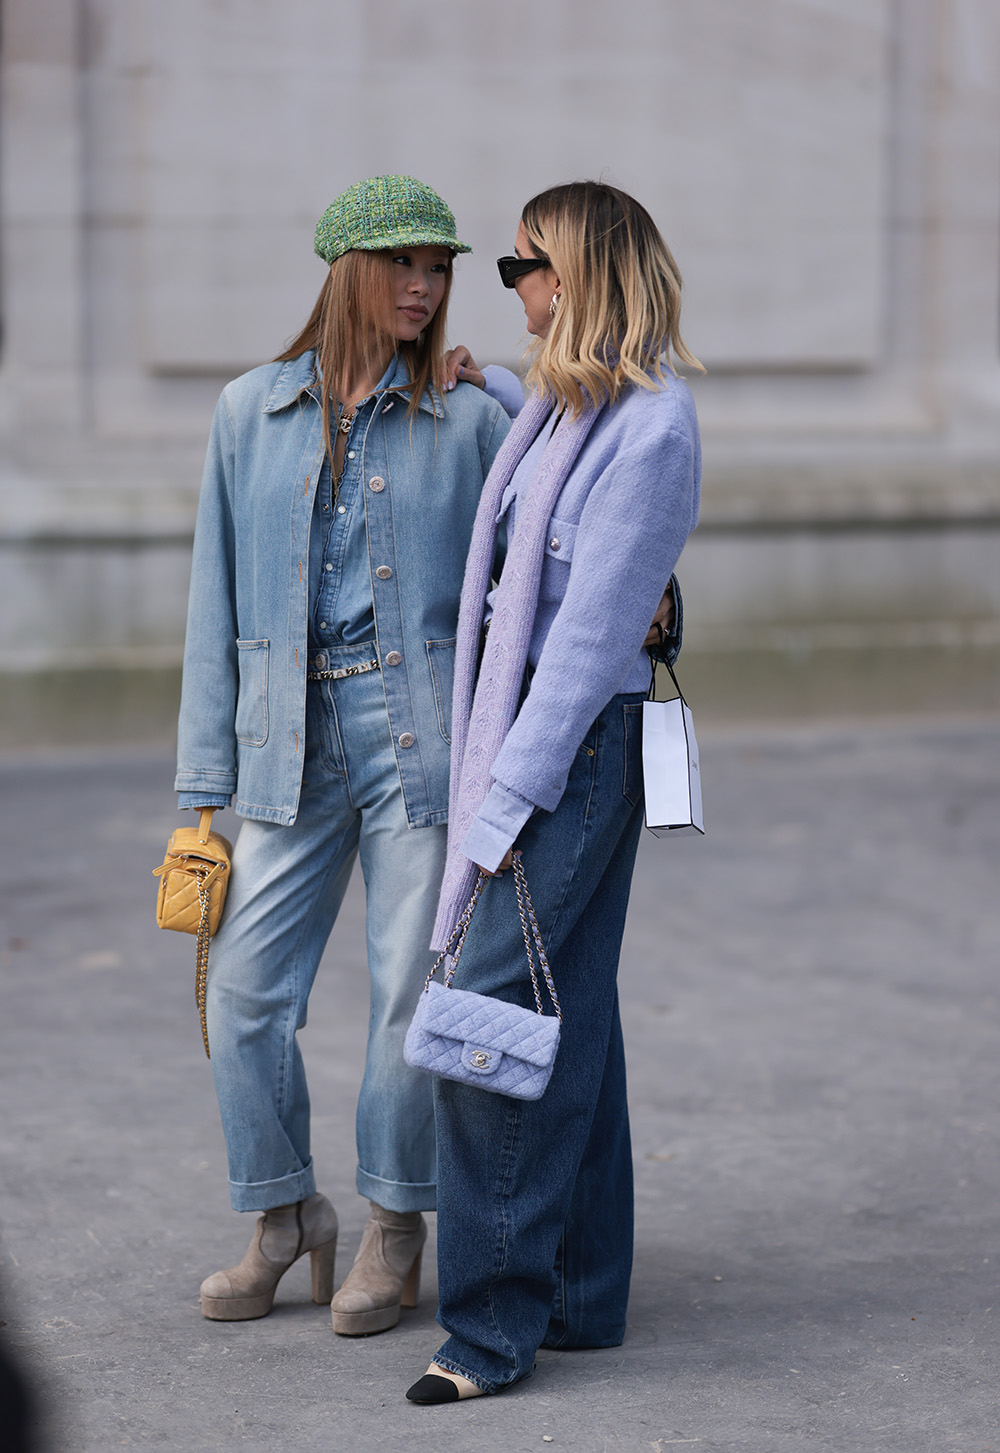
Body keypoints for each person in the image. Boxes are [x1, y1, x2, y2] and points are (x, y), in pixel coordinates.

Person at [174, 175, 524, 1335]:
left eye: (440, 267)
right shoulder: (246, 412)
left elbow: (541, 528)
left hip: (416, 736)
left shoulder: (468, 418)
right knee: (242, 992)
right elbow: (214, 608)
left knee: (402, 995)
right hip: (287, 737)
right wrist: (198, 797)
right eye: (402, 265)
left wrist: (508, 383)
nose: (424, 286)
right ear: (345, 272)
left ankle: (394, 1223)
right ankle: (283, 1217)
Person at [404, 180, 703, 1403]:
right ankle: (580, 1293)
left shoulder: (655, 428)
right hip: (545, 742)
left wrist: (504, 802)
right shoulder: (565, 410)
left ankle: (486, 1327)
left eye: (519, 265)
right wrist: (480, 380)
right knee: (566, 1002)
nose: (508, 286)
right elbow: (536, 511)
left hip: (565, 752)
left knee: (485, 1021)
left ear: (571, 274)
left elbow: (583, 648)